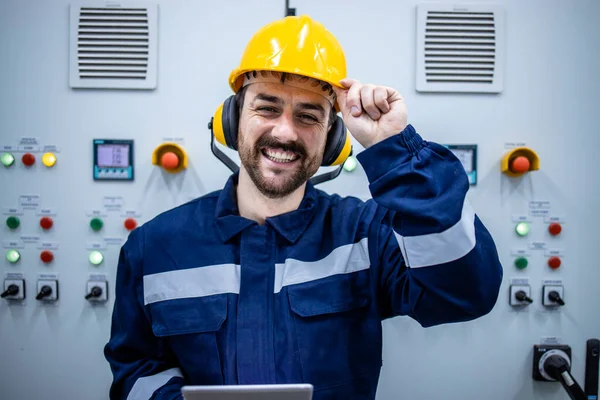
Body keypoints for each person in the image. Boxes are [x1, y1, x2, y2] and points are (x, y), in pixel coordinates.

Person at [104, 15, 503, 400]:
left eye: (308, 116)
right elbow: (135, 369)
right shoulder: (154, 247)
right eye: (267, 107)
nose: (284, 132)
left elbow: (466, 293)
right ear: (232, 120)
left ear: (332, 140)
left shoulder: (366, 237)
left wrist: (395, 150)